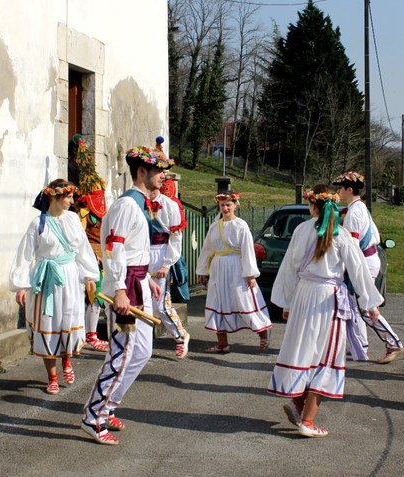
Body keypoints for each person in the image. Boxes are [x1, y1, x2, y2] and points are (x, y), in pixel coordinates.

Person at [267, 185, 383, 438]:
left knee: (303, 349)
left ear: (312, 206)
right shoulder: (341, 235)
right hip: (328, 299)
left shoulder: (301, 230)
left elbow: (289, 268)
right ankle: (307, 421)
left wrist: (286, 303)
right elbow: (359, 271)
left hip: (303, 295)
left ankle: (298, 402)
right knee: (327, 354)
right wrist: (370, 304)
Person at [81, 145, 168, 445]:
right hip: (126, 286)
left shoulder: (140, 204)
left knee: (141, 352)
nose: (163, 177)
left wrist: (147, 279)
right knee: (121, 354)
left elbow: (133, 250)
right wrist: (119, 288)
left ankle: (106, 409)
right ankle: (92, 416)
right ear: (142, 172)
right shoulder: (127, 205)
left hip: (137, 282)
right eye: (158, 171)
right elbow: (112, 247)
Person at [9, 179, 99, 395]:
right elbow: (25, 254)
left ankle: (66, 360)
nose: (72, 201)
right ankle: (52, 377)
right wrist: (21, 285)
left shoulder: (73, 219)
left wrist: (89, 276)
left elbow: (82, 249)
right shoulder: (38, 223)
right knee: (48, 325)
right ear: (55, 197)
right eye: (69, 197)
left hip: (70, 278)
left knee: (68, 319)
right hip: (46, 279)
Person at [333, 171, 404, 364]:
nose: (338, 191)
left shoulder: (354, 212)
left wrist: (344, 268)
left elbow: (351, 247)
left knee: (366, 308)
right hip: (369, 258)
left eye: (340, 188)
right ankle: (360, 344)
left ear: (349, 189)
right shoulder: (359, 207)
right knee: (358, 306)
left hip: (363, 261)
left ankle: (393, 343)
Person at [196, 190, 271, 353]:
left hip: (236, 267)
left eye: (228, 205)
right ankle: (222, 344)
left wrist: (250, 274)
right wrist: (202, 270)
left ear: (235, 205)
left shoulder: (241, 225)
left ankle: (263, 331)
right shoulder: (215, 226)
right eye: (222, 205)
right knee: (217, 302)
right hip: (218, 268)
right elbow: (207, 249)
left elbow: (247, 250)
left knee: (244, 300)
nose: (225, 208)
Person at [148, 137, 190, 360]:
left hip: (160, 253)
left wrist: (166, 264)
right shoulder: (137, 201)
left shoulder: (170, 205)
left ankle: (180, 336)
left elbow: (175, 238)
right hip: (141, 255)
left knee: (161, 306)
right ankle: (138, 344)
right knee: (140, 303)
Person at [68, 134, 110, 352]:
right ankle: (88, 336)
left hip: (99, 257)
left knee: (98, 296)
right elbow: (80, 238)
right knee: (90, 296)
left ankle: (91, 334)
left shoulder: (102, 213)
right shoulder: (82, 214)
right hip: (87, 259)